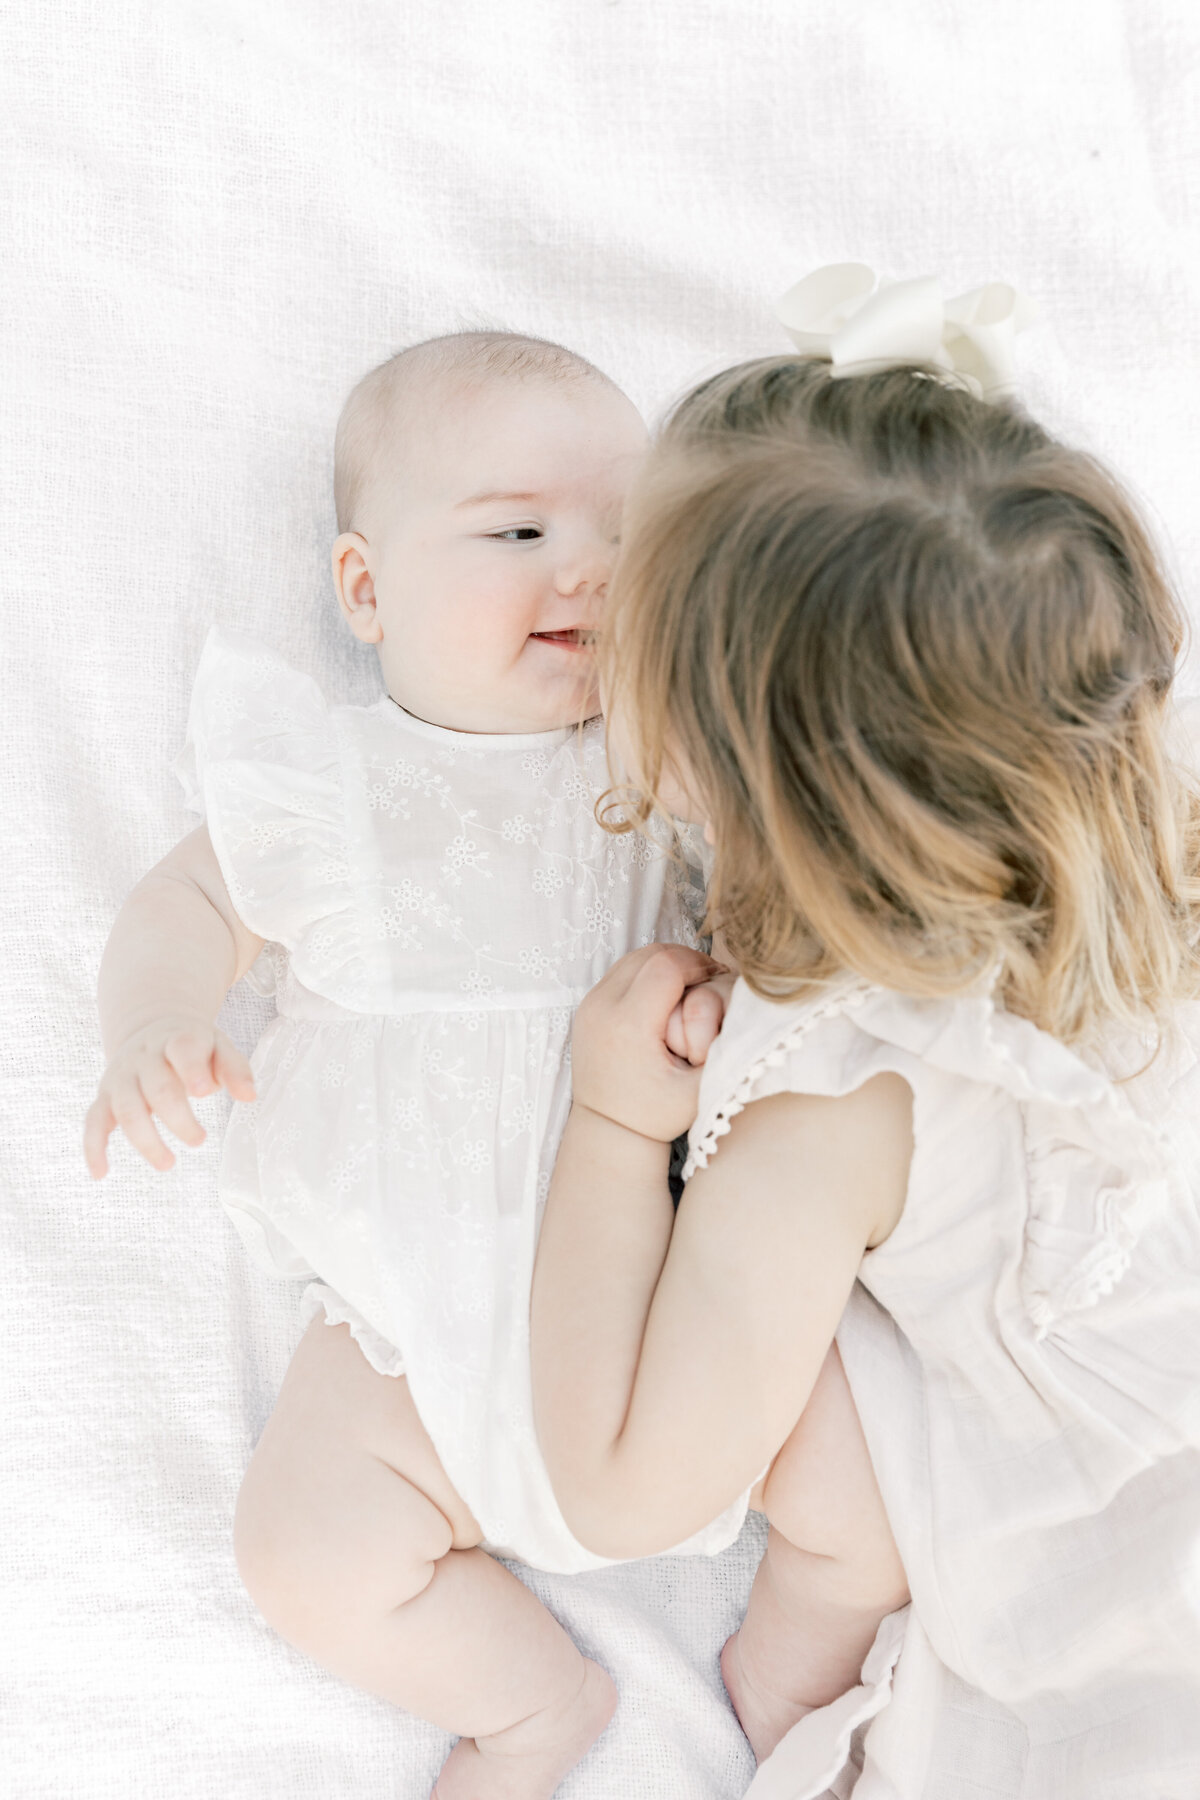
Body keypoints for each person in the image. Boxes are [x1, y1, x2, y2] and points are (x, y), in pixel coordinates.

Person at [82, 330, 753, 1800]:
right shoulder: (331, 781)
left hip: (650, 1291)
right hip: (401, 1324)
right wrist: (155, 1021)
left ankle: (812, 1662)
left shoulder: (663, 767)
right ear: (367, 592)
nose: (583, 569)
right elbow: (187, 907)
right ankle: (529, 1704)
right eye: (519, 531)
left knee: (849, 1451)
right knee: (304, 1548)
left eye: (625, 541)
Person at [530, 343, 1200, 1798]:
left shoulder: (834, 1097)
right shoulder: (1161, 829)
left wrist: (608, 1117)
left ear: (727, 776)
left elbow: (625, 1486)